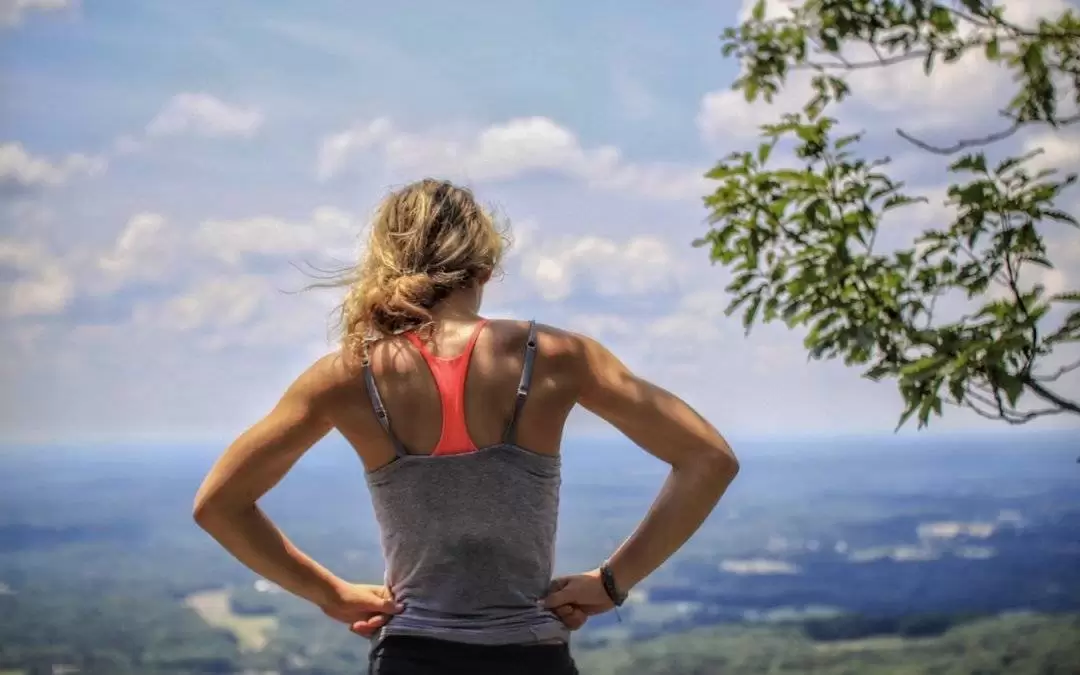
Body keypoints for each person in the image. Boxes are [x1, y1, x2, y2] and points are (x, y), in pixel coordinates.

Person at [192, 179, 740, 675]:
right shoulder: (555, 356)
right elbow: (709, 459)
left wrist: (328, 593)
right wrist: (611, 583)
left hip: (410, 659)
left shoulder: (346, 375)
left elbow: (219, 503)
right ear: (485, 268)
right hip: (532, 661)